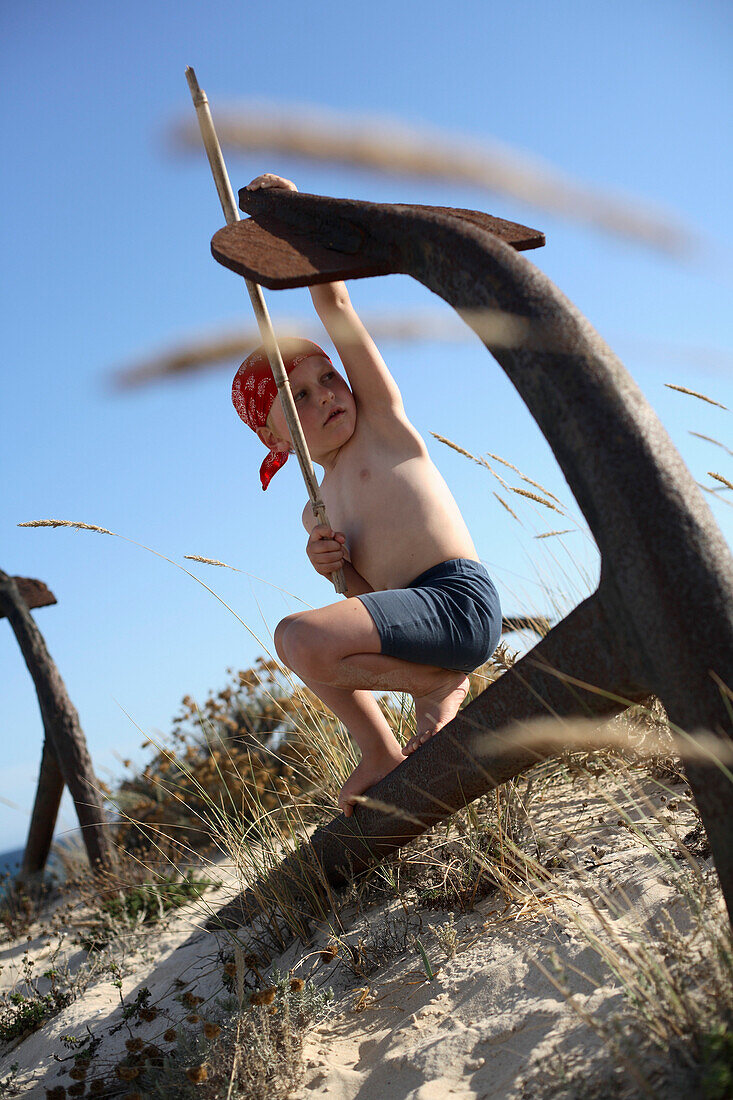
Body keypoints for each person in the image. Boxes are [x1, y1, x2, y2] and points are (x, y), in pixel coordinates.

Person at [232, 174, 502, 817]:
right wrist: (337, 568)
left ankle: (438, 685)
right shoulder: (317, 505)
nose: (326, 392)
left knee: (293, 638)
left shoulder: (383, 423)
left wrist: (294, 217)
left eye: (329, 376)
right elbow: (366, 604)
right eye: (298, 396)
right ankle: (388, 743)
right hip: (415, 624)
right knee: (307, 643)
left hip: (458, 598)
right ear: (276, 437)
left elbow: (338, 310)